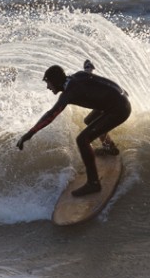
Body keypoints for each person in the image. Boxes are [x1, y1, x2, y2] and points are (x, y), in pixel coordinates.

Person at [16, 60, 131, 197]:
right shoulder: (77, 76)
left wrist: (29, 134)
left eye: (48, 83)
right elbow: (88, 73)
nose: (48, 87)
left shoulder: (69, 93)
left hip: (119, 109)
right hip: (120, 99)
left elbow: (50, 115)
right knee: (89, 120)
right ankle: (109, 147)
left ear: (56, 81)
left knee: (82, 140)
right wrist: (88, 67)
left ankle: (93, 183)